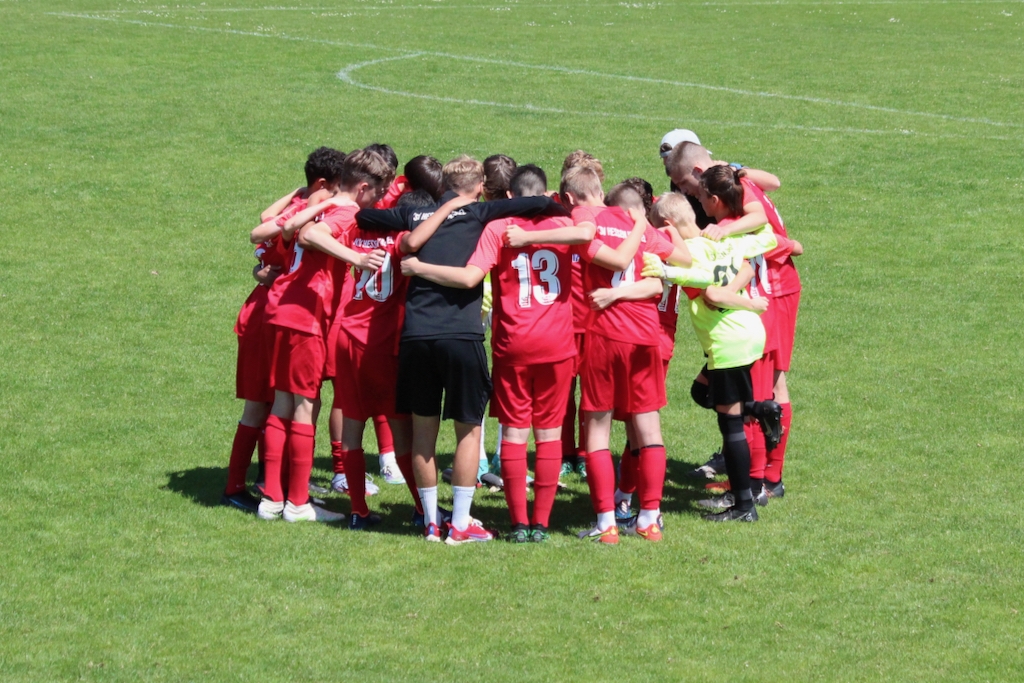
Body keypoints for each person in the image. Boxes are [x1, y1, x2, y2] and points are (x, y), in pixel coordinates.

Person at [356, 155, 564, 544]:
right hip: (461, 336)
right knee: (468, 432)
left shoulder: (416, 215)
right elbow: (537, 204)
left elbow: (365, 217)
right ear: (480, 185)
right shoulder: (481, 212)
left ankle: (430, 522)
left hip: (416, 335)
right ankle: (461, 523)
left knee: (423, 432)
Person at [402, 164, 590, 543]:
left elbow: (472, 275)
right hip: (557, 343)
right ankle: (541, 524)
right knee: (549, 434)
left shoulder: (498, 228)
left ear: (508, 197)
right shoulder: (564, 224)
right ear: (546, 194)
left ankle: (518, 524)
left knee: (515, 434)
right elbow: (589, 234)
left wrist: (419, 266)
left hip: (513, 343)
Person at [510, 184, 692, 543]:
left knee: (597, 432)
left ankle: (606, 522)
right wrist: (654, 229)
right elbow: (680, 265)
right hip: (646, 337)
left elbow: (591, 247)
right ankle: (649, 519)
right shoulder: (644, 231)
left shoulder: (594, 225)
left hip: (604, 336)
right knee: (649, 430)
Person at [255, 149, 391, 523]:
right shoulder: (345, 212)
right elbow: (311, 235)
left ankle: (272, 499)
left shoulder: (321, 204)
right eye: (377, 191)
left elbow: (286, 229)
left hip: (280, 308)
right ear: (362, 188)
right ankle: (298, 504)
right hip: (305, 315)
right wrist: (356, 259)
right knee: (303, 405)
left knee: (282, 404)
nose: (378, 198)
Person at [642, 167, 782, 522]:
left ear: (669, 226)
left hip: (727, 342)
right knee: (703, 393)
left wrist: (666, 271)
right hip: (750, 334)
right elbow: (765, 240)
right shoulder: (724, 241)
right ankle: (760, 409)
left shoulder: (685, 254)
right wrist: (732, 233)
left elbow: (701, 278)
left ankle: (744, 506)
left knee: (730, 426)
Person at [666, 142, 801, 495]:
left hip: (767, 294)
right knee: (768, 385)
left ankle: (754, 483)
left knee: (756, 387)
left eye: (685, 185)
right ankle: (767, 477)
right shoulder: (739, 182)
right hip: (776, 288)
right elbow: (774, 203)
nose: (687, 193)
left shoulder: (731, 218)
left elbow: (764, 227)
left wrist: (726, 237)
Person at [222, 147, 345, 512]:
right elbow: (263, 228)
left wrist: (303, 194)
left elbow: (265, 221)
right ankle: (247, 487)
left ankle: (280, 484)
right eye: (336, 187)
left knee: (283, 402)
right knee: (266, 404)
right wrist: (309, 196)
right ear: (324, 184)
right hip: (273, 314)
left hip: (274, 309)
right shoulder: (310, 214)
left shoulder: (301, 209)